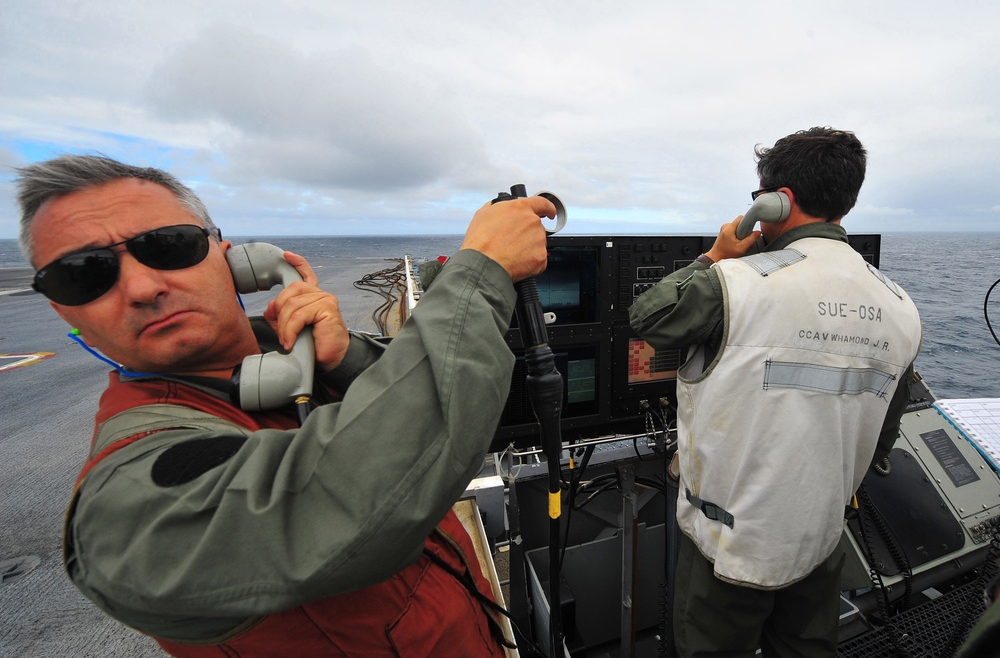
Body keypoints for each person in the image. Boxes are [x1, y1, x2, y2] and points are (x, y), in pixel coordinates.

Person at [17, 154, 555, 657]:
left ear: (238, 264)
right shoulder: (127, 509)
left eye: (169, 245)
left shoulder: (290, 375)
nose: (140, 286)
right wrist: (481, 271)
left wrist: (343, 359)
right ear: (65, 311)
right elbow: (357, 493)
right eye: (84, 273)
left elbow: (459, 417)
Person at [629, 127, 922, 657]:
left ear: (776, 201)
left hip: (728, 547)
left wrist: (717, 252)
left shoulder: (735, 283)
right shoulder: (901, 307)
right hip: (820, 539)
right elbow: (882, 438)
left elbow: (649, 317)